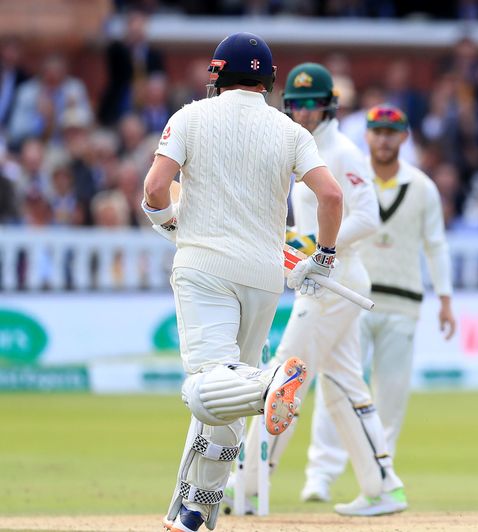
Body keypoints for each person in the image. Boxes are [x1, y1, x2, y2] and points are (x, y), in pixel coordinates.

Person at [142, 33, 343, 532]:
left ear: (216, 75)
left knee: (206, 387)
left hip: (204, 267)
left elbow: (152, 189)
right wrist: (325, 256)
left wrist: (168, 223)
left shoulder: (189, 117)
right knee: (223, 400)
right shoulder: (291, 131)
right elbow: (332, 197)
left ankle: (269, 381)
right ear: (269, 81)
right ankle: (194, 512)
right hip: (262, 276)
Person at [233, 62, 409, 517]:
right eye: (297, 104)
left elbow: (368, 217)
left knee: (283, 374)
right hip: (322, 278)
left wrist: (318, 245)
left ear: (329, 105)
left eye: (313, 104)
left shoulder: (344, 151)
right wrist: (298, 241)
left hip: (336, 281)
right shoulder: (303, 146)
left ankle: (246, 484)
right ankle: (383, 485)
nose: (305, 111)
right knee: (342, 385)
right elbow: (310, 224)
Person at [304, 103, 455, 504]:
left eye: (391, 132)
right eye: (376, 132)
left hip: (402, 302)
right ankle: (320, 473)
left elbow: (436, 246)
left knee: (390, 396)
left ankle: (379, 476)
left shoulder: (422, 186)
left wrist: (445, 299)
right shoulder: (352, 177)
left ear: (404, 137)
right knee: (336, 386)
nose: (384, 140)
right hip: (353, 297)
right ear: (366, 135)